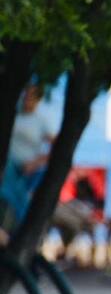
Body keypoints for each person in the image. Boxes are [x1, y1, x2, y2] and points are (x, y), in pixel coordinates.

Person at [3, 84, 56, 222]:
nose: (27, 99)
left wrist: (36, 163)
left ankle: (19, 228)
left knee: (19, 195)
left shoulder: (41, 121)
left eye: (31, 96)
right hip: (8, 165)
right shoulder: (13, 116)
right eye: (25, 95)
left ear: (38, 100)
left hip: (27, 169)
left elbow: (57, 148)